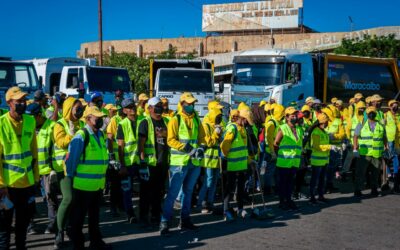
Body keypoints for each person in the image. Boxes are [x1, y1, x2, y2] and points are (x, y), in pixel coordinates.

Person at [159, 92, 206, 235]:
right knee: (173, 194)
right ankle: (164, 222)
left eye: (193, 103)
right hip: (179, 162)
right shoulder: (176, 119)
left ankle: (185, 220)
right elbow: (170, 140)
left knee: (188, 192)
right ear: (182, 103)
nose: (191, 106)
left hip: (194, 162)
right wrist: (187, 148)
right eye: (189, 103)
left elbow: (202, 138)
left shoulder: (197, 119)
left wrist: (202, 147)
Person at [0, 87, 39, 250]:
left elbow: (34, 153)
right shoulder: (1, 124)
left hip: (26, 185)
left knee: (22, 227)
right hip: (7, 188)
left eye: (24, 100)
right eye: (19, 101)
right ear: (9, 103)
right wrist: (1, 185)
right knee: (4, 229)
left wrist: (35, 179)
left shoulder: (30, 121)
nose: (23, 104)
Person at [67, 106, 110, 249]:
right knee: (78, 218)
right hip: (82, 186)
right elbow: (71, 162)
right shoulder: (81, 136)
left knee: (94, 216)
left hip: (97, 185)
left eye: (101, 118)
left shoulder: (101, 134)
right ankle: (78, 245)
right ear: (88, 119)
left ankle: (96, 242)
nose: (100, 120)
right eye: (97, 118)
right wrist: (71, 179)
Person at [53, 97, 85, 248]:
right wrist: (72, 135)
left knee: (77, 201)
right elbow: (61, 142)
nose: (80, 111)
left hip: (80, 167)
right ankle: (59, 231)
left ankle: (72, 229)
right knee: (68, 198)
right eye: (77, 108)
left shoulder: (82, 123)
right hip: (64, 168)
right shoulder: (59, 124)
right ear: (68, 108)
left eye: (81, 109)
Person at [26, 103, 58, 234]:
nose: (27, 120)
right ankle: (30, 224)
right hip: (30, 170)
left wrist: (53, 169)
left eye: (31, 117)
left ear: (39, 115)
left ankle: (53, 224)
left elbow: (56, 150)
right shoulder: (27, 127)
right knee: (29, 199)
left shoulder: (51, 127)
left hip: (46, 170)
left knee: (51, 198)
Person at [137, 97, 169, 226]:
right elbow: (141, 145)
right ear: (149, 108)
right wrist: (142, 162)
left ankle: (156, 215)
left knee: (159, 192)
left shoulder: (166, 121)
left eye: (161, 105)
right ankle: (144, 217)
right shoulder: (145, 122)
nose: (159, 107)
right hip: (149, 164)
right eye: (157, 105)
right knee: (146, 192)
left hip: (163, 163)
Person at [220, 109, 249, 221]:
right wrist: (226, 158)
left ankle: (240, 209)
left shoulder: (242, 129)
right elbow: (225, 145)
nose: (247, 123)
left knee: (240, 188)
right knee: (229, 188)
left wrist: (249, 160)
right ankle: (226, 210)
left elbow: (243, 147)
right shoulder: (232, 128)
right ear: (242, 118)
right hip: (231, 164)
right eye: (246, 121)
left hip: (241, 164)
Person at [353, 106, 387, 197]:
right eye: (369, 112)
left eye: (373, 112)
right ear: (367, 114)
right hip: (364, 153)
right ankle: (358, 190)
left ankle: (374, 189)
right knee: (361, 172)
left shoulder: (380, 124)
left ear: (376, 114)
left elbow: (384, 137)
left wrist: (386, 147)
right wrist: (355, 149)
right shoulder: (361, 123)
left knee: (375, 173)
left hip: (376, 153)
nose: (372, 114)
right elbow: (355, 136)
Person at [274, 107, 303, 210]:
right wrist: (280, 155)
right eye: (292, 115)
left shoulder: (299, 129)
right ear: (286, 117)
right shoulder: (283, 128)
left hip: (294, 161)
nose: (295, 117)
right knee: (283, 183)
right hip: (284, 162)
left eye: (295, 115)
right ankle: (282, 202)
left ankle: (289, 200)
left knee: (291, 183)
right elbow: (276, 144)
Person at [116, 99, 140, 223]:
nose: (132, 109)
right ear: (124, 111)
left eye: (133, 106)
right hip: (128, 163)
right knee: (127, 190)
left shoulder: (142, 121)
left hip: (140, 161)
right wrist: (122, 165)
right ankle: (130, 214)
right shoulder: (122, 124)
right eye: (129, 108)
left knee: (145, 188)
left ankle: (144, 212)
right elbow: (120, 147)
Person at [197, 107, 223, 213]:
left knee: (214, 182)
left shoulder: (217, 126)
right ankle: (202, 203)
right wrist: (216, 134)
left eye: (220, 117)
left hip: (216, 159)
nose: (219, 119)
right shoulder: (206, 126)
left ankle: (210, 202)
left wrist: (220, 135)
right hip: (208, 159)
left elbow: (220, 142)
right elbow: (208, 143)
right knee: (208, 181)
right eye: (217, 117)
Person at [309, 113, 337, 204]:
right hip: (317, 161)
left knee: (322, 179)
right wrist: (330, 147)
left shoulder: (323, 131)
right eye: (327, 121)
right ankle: (312, 197)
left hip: (324, 160)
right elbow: (316, 146)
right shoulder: (316, 132)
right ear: (323, 122)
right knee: (315, 179)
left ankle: (321, 196)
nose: (328, 123)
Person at [263, 104, 285, 194]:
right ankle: (267, 190)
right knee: (269, 171)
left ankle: (276, 188)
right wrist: (272, 152)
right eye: (282, 113)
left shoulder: (278, 122)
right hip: (271, 151)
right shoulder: (272, 123)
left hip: (276, 150)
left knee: (276, 171)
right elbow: (269, 138)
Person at [323, 106, 345, 193]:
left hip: (335, 149)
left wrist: (333, 136)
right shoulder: (323, 121)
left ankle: (329, 185)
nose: (324, 114)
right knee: (326, 168)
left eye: (325, 113)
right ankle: (325, 185)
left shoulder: (338, 121)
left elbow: (342, 134)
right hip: (325, 148)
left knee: (332, 168)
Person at [385, 100, 400, 192]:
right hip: (389, 140)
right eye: (394, 106)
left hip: (397, 140)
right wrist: (385, 142)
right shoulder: (386, 115)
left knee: (395, 158)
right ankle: (388, 174)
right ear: (390, 106)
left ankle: (394, 176)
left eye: (397, 106)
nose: (396, 107)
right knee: (387, 158)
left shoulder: (399, 116)